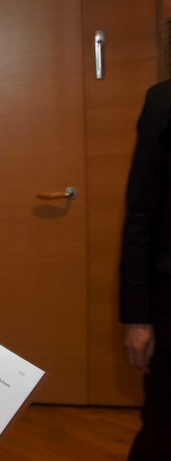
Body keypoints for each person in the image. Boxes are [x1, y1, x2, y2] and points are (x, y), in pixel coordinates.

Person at [120, 78, 171, 461]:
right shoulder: (163, 102)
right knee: (164, 427)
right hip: (170, 305)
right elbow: (140, 217)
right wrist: (137, 317)